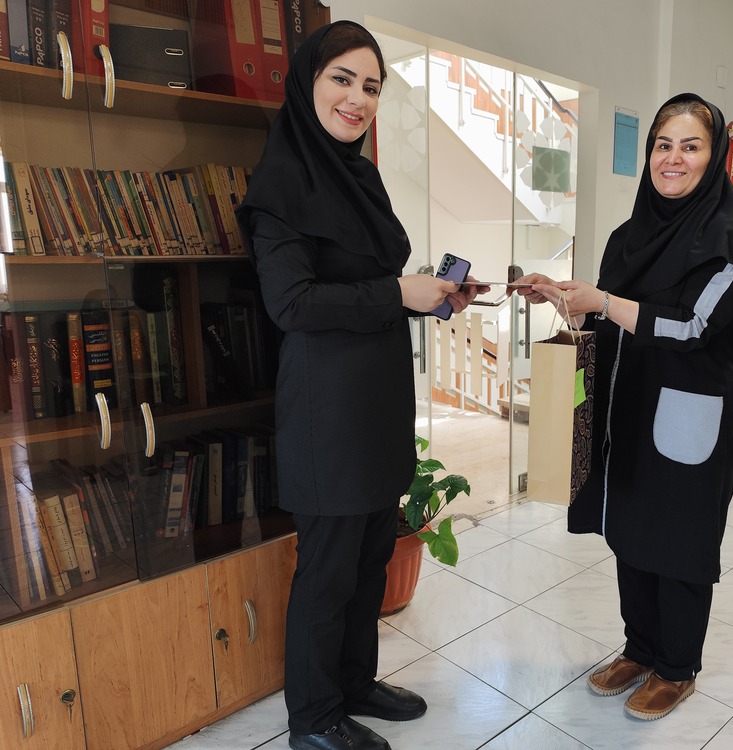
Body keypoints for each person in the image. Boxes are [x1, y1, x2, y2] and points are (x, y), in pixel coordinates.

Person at [236, 21, 484, 750]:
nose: (358, 99)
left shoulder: (359, 177)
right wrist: (397, 294)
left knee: (372, 554)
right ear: (307, 82)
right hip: (327, 411)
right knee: (328, 570)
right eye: (341, 79)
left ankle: (354, 683)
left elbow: (371, 285)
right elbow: (293, 304)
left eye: (372, 86)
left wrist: (432, 296)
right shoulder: (280, 187)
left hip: (376, 400)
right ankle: (312, 719)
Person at [512, 93, 733, 721]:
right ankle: (640, 648)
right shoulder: (628, 237)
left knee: (678, 541)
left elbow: (693, 327)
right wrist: (564, 300)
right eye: (663, 145)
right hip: (627, 410)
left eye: (691, 146)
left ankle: (676, 667)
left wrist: (602, 301)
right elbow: (611, 324)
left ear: (714, 158)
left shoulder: (729, 243)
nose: (673, 159)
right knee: (630, 531)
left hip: (690, 415)